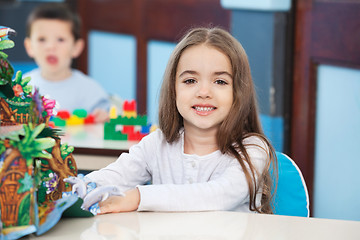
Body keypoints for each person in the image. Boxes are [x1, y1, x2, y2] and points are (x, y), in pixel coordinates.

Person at [83, 27, 277, 213]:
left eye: (220, 81)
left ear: (238, 92)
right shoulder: (157, 144)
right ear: (173, 89)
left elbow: (219, 195)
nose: (203, 92)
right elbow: (115, 176)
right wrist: (80, 187)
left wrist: (138, 197)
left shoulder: (253, 149)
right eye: (190, 81)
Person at [24, 3, 110, 122]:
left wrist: (103, 119)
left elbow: (107, 124)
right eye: (42, 39)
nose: (51, 46)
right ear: (29, 47)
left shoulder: (90, 90)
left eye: (60, 39)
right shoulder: (21, 87)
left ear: (76, 47)